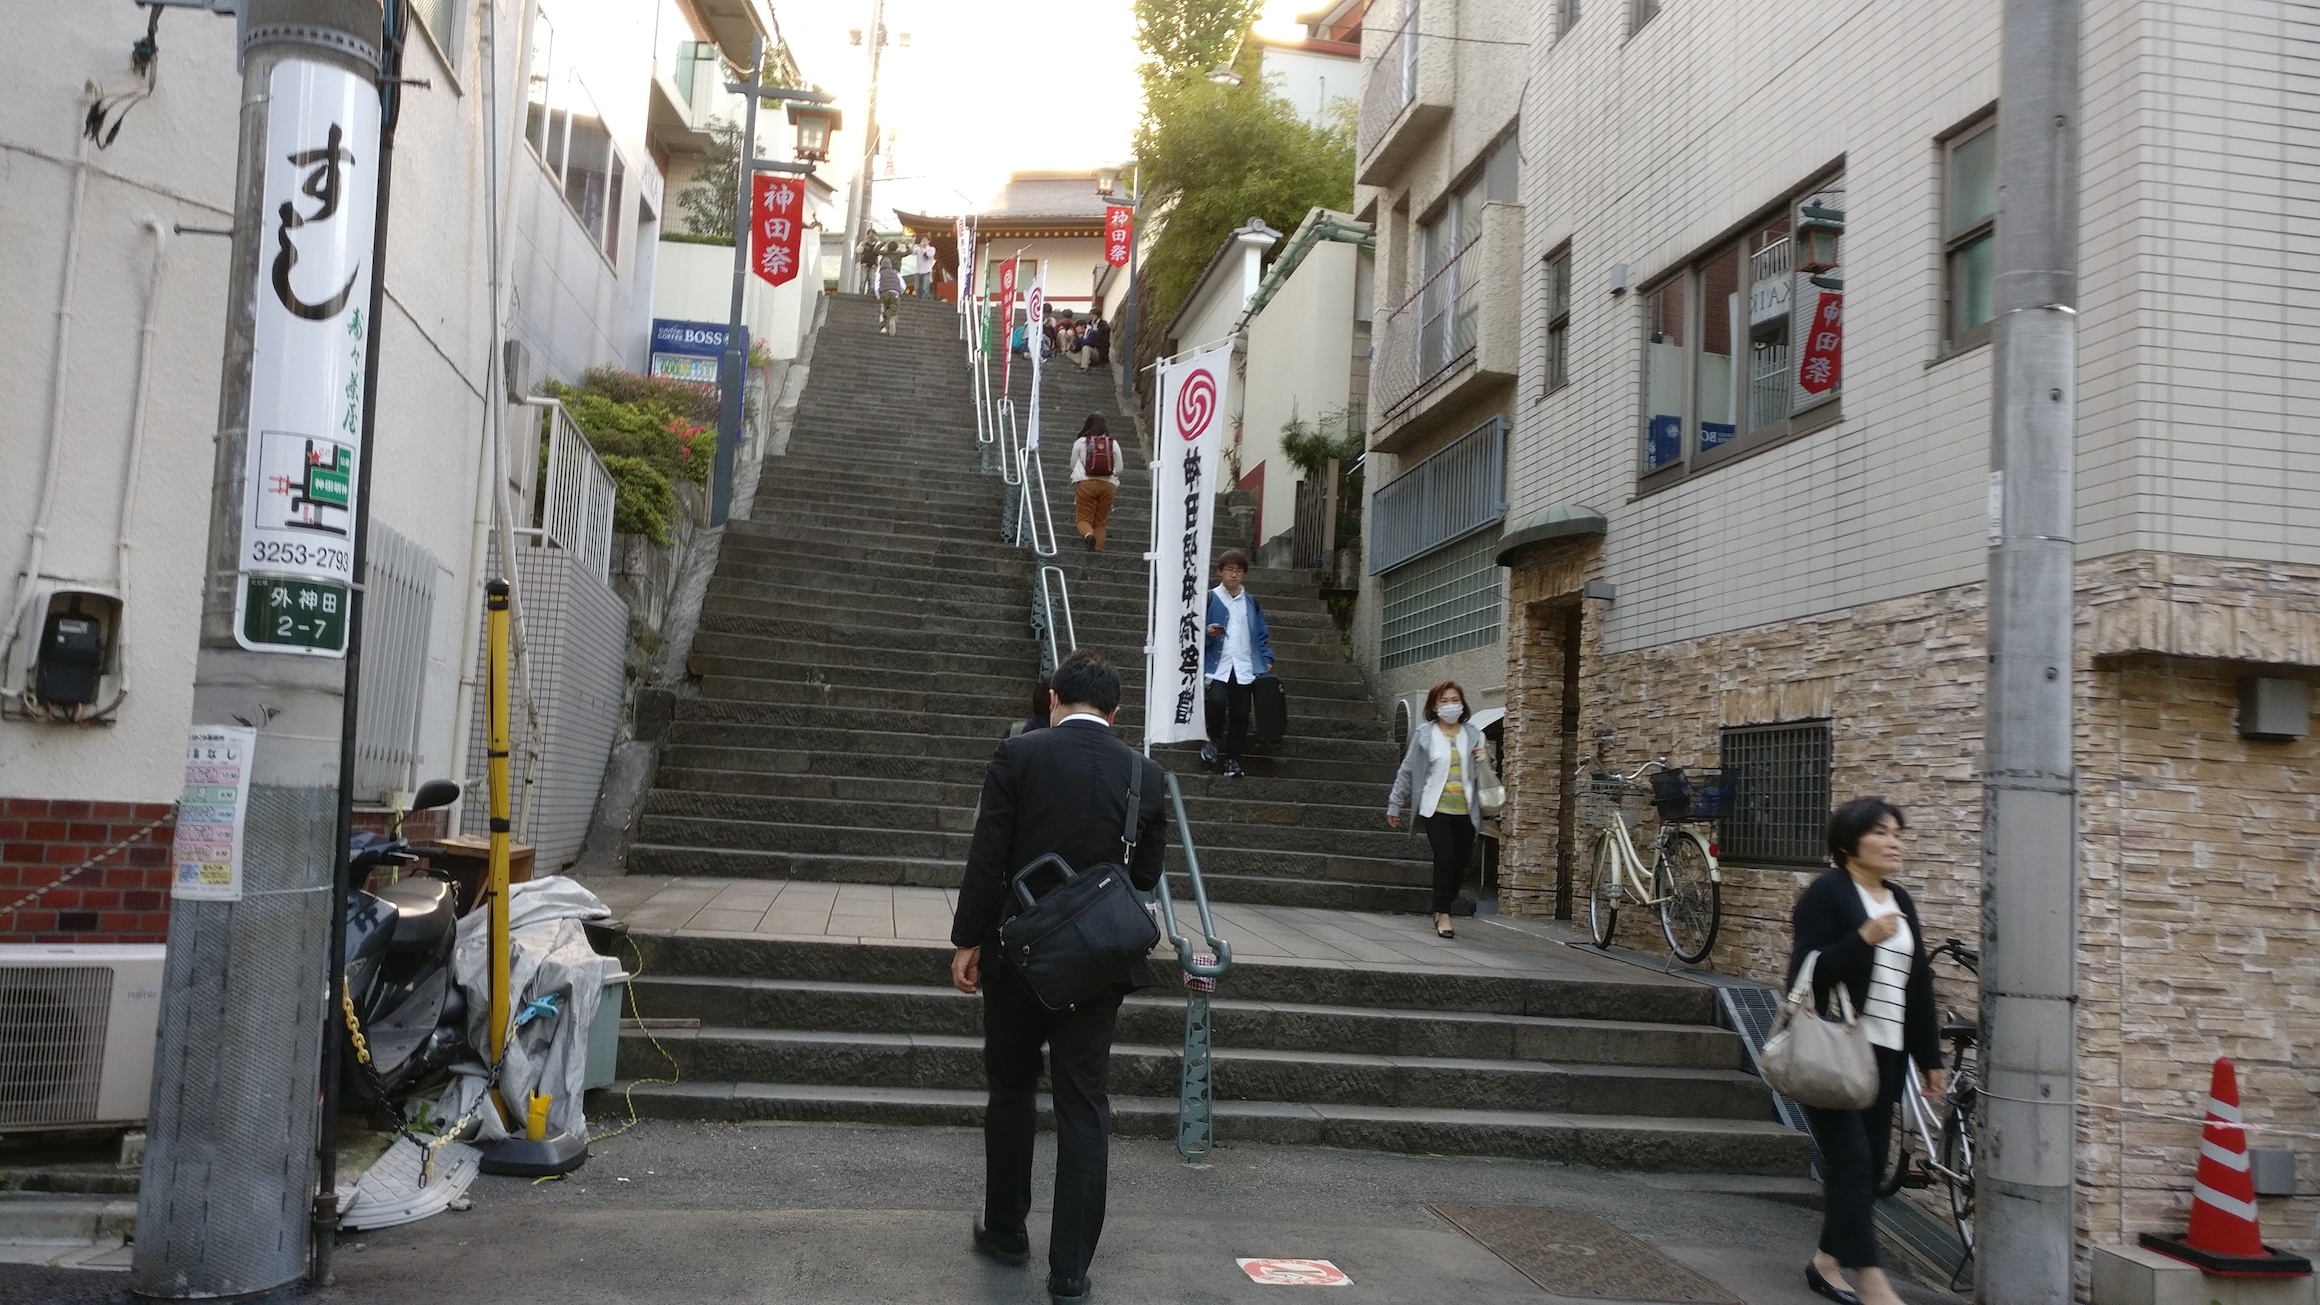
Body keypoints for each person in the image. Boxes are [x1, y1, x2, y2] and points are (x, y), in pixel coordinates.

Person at [950, 651, 1168, 1305]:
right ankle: (1070, 1269)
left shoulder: (1020, 755)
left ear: (1053, 698)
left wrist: (967, 939)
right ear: (1116, 711)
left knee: (1012, 1088)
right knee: (1084, 1103)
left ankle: (1006, 1230)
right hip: (1097, 962)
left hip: (1017, 952)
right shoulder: (1146, 776)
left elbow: (988, 853)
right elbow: (1147, 876)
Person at [1788, 797, 1945, 1305]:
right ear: (1848, 843)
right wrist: (1863, 938)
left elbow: (1916, 984)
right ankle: (1871, 1277)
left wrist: (1930, 1059)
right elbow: (1806, 975)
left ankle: (1826, 1263)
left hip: (1887, 1053)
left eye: (1898, 832)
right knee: (1853, 1161)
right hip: (1834, 1049)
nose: (1894, 840)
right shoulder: (1827, 894)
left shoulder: (1899, 898)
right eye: (1880, 832)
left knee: (1870, 1164)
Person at [1384, 681, 1487, 939]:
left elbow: (1483, 772)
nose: (1450, 705)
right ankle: (1442, 914)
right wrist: (1395, 804)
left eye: (1455, 699)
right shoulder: (1425, 735)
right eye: (1444, 701)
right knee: (1446, 858)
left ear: (1462, 704)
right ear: (1433, 706)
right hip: (1435, 808)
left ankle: (1444, 902)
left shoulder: (1473, 733)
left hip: (1465, 810)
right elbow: (1407, 771)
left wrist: (1486, 758)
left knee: (1462, 862)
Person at [1201, 549, 1272, 778]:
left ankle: (1232, 759)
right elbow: (1192, 630)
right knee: (1216, 701)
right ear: (1220, 572)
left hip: (1244, 665)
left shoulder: (1251, 602)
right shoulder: (1210, 598)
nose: (1234, 575)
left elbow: (1260, 634)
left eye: (1238, 571)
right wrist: (1207, 633)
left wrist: (1267, 658)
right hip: (1217, 663)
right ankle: (1212, 737)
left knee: (1241, 715)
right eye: (1229, 570)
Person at [1069, 414, 1120, 552]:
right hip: (1108, 486)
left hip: (1086, 485)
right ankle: (1097, 553)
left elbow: (1073, 464)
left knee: (1084, 519)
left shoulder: (1081, 442)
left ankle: (1088, 535)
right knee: (1100, 523)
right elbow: (1119, 468)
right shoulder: (1112, 443)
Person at [876, 258, 906, 335]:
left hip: (884, 293)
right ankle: (892, 317)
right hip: (895, 293)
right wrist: (899, 293)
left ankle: (884, 327)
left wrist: (878, 296)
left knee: (883, 310)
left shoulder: (880, 273)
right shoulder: (896, 273)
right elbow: (903, 286)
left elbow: (876, 287)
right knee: (894, 307)